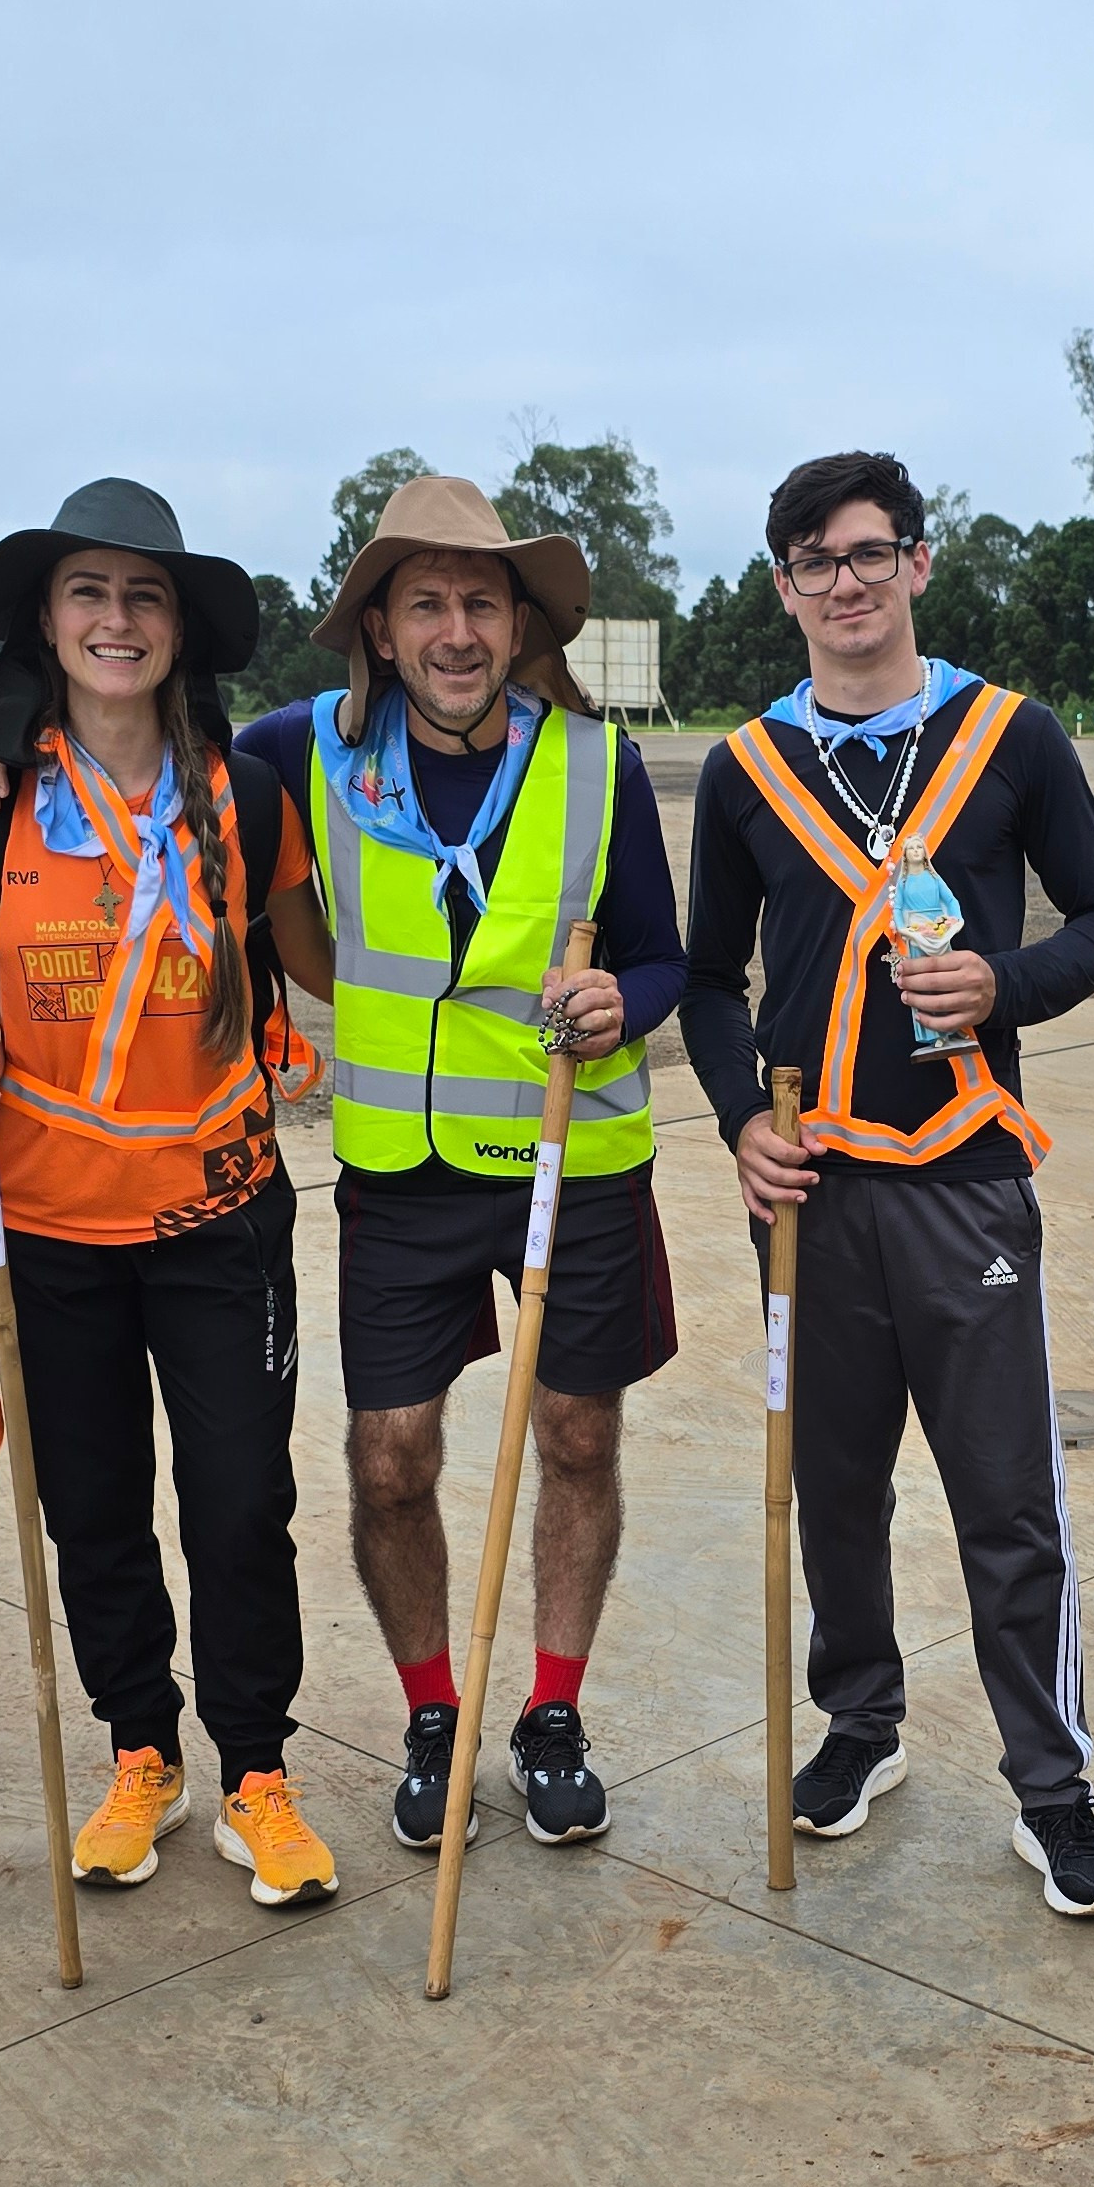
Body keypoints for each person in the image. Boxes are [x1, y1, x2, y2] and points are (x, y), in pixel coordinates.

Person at [680, 448, 1094, 1913]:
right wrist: (731, 1121)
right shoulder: (747, 768)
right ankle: (859, 1725)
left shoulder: (1012, 735)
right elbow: (703, 984)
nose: (847, 582)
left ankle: (1053, 1785)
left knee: (1007, 1498)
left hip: (965, 1176)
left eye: (871, 551)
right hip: (808, 1191)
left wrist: (1000, 980)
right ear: (784, 589)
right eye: (815, 561)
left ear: (920, 564)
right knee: (833, 1488)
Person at [232, 475, 686, 1849]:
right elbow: (154, 747)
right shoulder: (299, 749)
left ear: (518, 623)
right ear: (376, 629)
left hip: (573, 1157)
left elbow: (664, 951)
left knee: (579, 1436)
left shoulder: (598, 766)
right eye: (421, 601)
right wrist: (12, 739)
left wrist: (630, 1002)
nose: (453, 630)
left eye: (479, 601)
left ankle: (550, 1711)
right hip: (401, 1168)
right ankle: (433, 1712)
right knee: (388, 1460)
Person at [0, 480, 340, 1909]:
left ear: (179, 631)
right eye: (88, 593)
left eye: (143, 596)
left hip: (221, 1217)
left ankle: (259, 1771)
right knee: (93, 1510)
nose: (116, 619)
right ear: (49, 621)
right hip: (43, 1230)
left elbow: (318, 965)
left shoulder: (247, 790)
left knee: (238, 1508)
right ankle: (141, 1751)